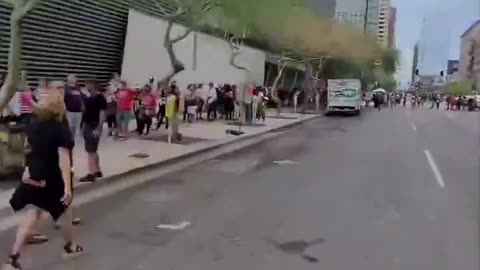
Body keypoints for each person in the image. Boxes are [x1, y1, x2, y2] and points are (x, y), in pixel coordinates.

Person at [5, 81, 83, 270]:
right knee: (65, 211)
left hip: (34, 174)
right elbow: (64, 161)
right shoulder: (59, 128)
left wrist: (27, 169)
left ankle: (13, 257)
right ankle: (70, 246)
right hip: (51, 177)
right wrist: (67, 186)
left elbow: (28, 149)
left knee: (32, 213)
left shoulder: (34, 123)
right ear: (60, 107)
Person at [78, 81, 106, 183]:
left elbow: (102, 113)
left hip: (93, 125)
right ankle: (97, 170)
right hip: (88, 124)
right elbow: (84, 112)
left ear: (92, 87)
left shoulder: (100, 98)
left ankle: (91, 173)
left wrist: (99, 127)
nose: (85, 87)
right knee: (93, 150)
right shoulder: (89, 98)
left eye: (87, 85)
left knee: (90, 151)